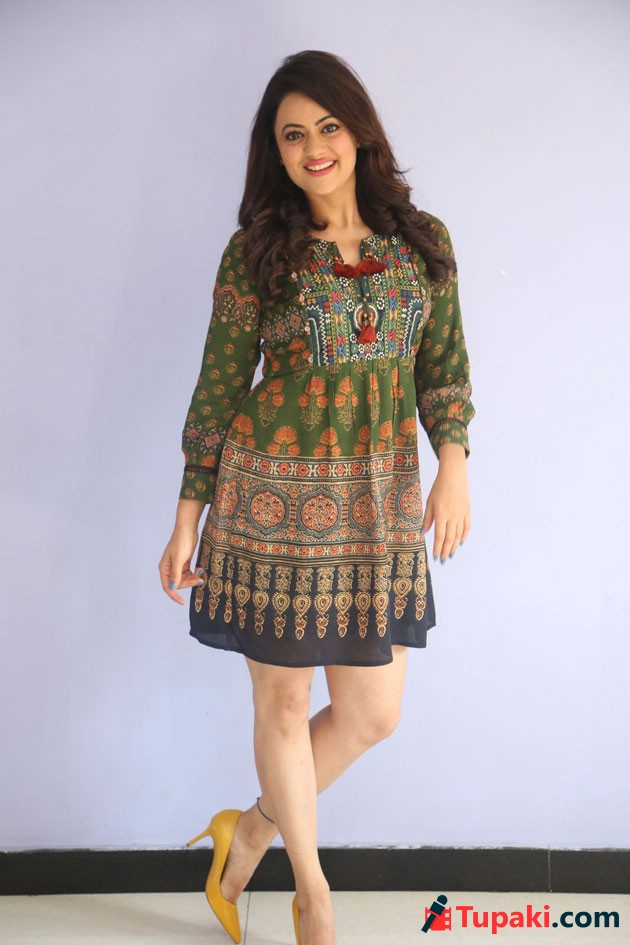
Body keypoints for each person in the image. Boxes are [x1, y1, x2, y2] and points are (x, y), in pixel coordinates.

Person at [158, 49, 475, 945]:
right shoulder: (258, 252)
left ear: (359, 131)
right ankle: (314, 898)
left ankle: (251, 829)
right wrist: (186, 516)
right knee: (285, 706)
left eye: (328, 126)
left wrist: (454, 462)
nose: (314, 147)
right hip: (270, 503)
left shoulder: (422, 242)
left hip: (378, 504)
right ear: (277, 151)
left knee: (374, 712)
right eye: (293, 135)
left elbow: (444, 366)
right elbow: (220, 385)